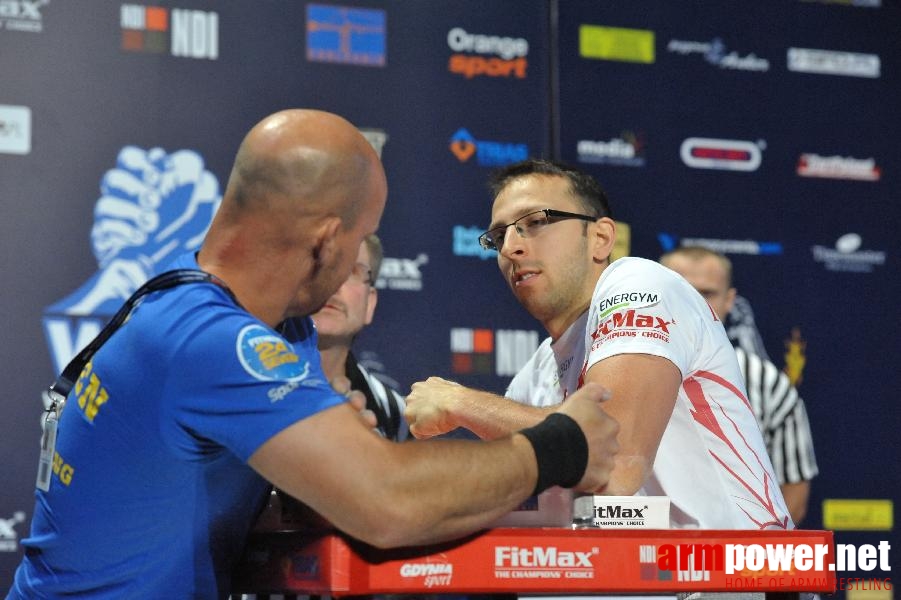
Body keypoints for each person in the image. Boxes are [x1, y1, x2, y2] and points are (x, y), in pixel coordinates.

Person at [7, 112, 620, 599]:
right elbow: (388, 502)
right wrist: (562, 447)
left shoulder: (197, 306)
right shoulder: (211, 339)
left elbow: (314, 502)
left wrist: (328, 463)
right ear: (327, 241)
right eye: (357, 242)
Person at [404, 158, 791, 530]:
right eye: (498, 236)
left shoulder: (640, 285)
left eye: (536, 222)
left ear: (601, 238)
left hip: (736, 577)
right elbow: (541, 506)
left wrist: (461, 403)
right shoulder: (535, 374)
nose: (510, 248)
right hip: (642, 581)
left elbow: (618, 460)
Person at [659, 245, 819, 524]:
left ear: (730, 300)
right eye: (681, 290)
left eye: (707, 293)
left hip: (735, 555)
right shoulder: (618, 369)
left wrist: (744, 556)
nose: (694, 302)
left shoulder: (769, 385)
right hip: (642, 550)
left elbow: (793, 492)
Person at [311, 233, 408, 441]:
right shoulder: (238, 383)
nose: (333, 284)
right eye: (321, 266)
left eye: (351, 271)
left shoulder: (395, 414)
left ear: (369, 304)